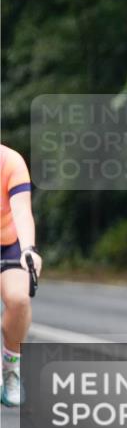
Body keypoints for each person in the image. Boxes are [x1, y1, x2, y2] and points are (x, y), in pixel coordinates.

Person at [1, 144, 42, 407]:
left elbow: (23, 212)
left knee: (19, 299)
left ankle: (12, 368)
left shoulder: (10, 161)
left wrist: (29, 248)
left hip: (9, 242)